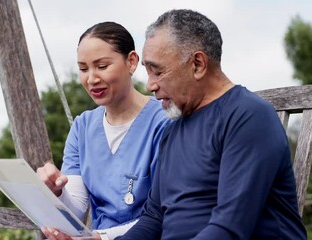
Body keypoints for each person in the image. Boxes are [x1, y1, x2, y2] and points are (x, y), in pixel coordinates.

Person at [117, 9, 307, 239]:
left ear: (197, 64)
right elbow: (154, 218)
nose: (150, 85)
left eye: (157, 71)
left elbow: (230, 228)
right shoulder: (173, 131)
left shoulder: (248, 116)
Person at [37, 21, 171, 240]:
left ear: (131, 61)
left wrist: (101, 237)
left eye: (102, 66)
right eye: (83, 69)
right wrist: (56, 193)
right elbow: (77, 208)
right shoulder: (83, 127)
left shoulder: (163, 122)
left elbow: (163, 214)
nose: (91, 79)